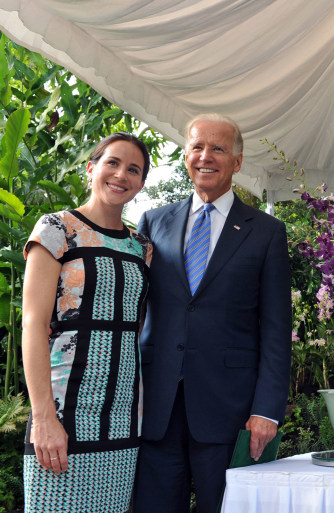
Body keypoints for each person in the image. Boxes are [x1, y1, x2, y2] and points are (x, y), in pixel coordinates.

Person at [132, 113, 291, 513]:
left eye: (218, 148)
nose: (206, 156)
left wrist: (266, 410)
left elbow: (276, 328)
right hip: (157, 406)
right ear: (186, 154)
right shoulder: (153, 222)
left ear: (237, 162)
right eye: (197, 146)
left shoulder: (266, 232)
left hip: (230, 411)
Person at [21, 133, 152, 512]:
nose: (121, 174)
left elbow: (135, 328)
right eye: (112, 162)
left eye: (133, 169)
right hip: (62, 410)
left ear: (141, 184)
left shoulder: (141, 247)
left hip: (123, 414)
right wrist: (44, 418)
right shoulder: (57, 229)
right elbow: (33, 326)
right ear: (91, 168)